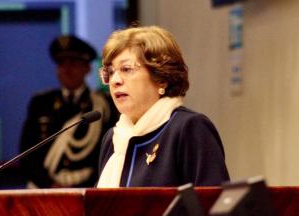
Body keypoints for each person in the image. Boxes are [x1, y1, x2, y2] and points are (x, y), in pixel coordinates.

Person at [97, 26, 230, 188]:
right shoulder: (113, 138)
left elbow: (212, 205)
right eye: (110, 72)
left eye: (126, 69)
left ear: (161, 78)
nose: (115, 80)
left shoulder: (189, 128)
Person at [20, 35, 118, 188]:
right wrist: (49, 184)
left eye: (73, 63)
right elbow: (26, 153)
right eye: (61, 64)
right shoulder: (41, 103)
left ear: (87, 68)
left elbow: (109, 152)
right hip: (44, 189)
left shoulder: (104, 105)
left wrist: (84, 186)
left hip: (88, 188)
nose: (67, 69)